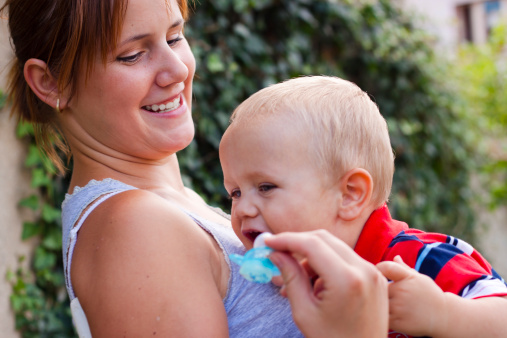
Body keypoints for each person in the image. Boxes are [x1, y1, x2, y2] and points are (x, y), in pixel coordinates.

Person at [1, 0, 389, 336]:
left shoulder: (176, 207)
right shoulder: (137, 229)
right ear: (51, 83)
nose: (177, 70)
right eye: (132, 55)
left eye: (174, 37)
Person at [219, 75, 507, 338]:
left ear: (350, 195)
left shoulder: (417, 259)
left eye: (266, 187)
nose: (243, 208)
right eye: (234, 193)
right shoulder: (288, 285)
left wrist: (444, 313)